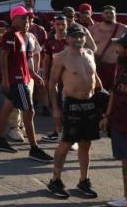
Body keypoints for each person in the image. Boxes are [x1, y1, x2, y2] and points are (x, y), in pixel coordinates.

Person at [45, 25, 102, 199]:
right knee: (66, 143)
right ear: (67, 39)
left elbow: (94, 77)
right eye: (74, 36)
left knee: (86, 143)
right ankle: (55, 180)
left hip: (90, 104)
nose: (78, 39)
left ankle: (83, 181)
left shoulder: (90, 54)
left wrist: (103, 95)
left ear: (85, 38)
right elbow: (52, 83)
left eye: (81, 36)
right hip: (72, 104)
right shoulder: (61, 58)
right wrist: (55, 108)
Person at [0, 6, 52, 162]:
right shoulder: (10, 35)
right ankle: (34, 148)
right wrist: (5, 78)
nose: (27, 21)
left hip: (23, 78)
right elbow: (3, 57)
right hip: (17, 80)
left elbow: (23, 60)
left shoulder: (22, 35)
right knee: (29, 111)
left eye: (28, 18)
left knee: (7, 108)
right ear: (14, 19)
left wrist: (32, 74)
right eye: (23, 18)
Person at [101, 33, 127, 207]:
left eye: (119, 48)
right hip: (120, 123)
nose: (116, 51)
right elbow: (114, 92)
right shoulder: (122, 67)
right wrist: (107, 116)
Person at [91, 5, 127, 90]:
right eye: (106, 13)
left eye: (111, 13)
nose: (109, 15)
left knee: (114, 92)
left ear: (115, 15)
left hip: (115, 68)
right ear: (102, 15)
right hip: (97, 67)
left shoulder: (123, 29)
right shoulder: (94, 28)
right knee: (97, 92)